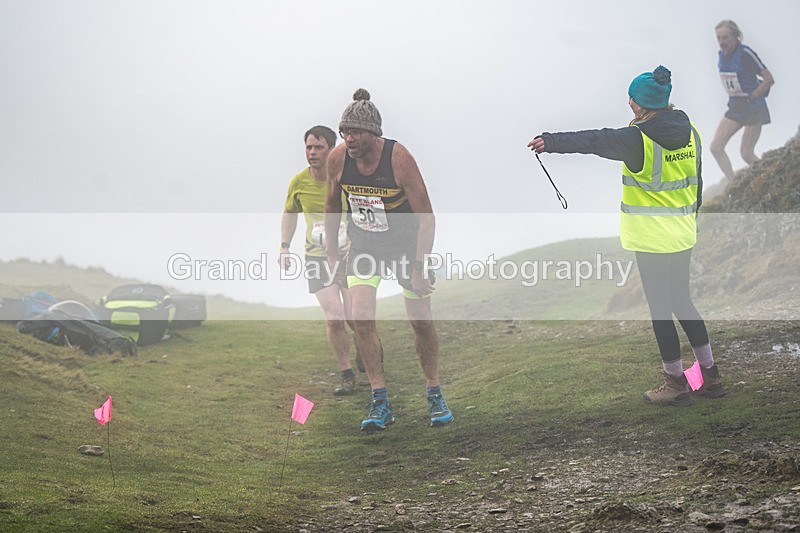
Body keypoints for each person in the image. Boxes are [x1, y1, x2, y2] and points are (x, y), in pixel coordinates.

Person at [528, 66, 725, 406]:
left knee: (661, 309)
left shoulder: (637, 139)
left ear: (638, 105)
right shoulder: (691, 131)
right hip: (682, 232)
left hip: (652, 238)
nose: (628, 102)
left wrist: (552, 142)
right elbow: (697, 182)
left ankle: (676, 382)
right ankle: (710, 376)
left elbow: (595, 140)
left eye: (630, 98)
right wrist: (690, 221)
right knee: (682, 301)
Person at [324, 89, 453, 430]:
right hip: (365, 247)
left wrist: (420, 264)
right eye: (344, 132)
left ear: (372, 133)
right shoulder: (338, 159)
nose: (348, 139)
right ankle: (380, 400)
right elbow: (332, 206)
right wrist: (333, 255)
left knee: (420, 321)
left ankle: (434, 391)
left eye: (355, 133)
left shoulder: (398, 158)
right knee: (361, 319)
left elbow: (427, 216)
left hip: (406, 247)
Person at [280, 125, 363, 396]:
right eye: (308, 147)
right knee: (335, 318)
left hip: (350, 254)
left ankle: (367, 349)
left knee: (355, 317)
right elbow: (289, 214)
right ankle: (347, 373)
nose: (312, 153)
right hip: (316, 256)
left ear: (332, 149)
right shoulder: (298, 182)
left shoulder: (346, 177)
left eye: (319, 147)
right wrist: (284, 247)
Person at [710, 20, 775, 182]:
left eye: (725, 37)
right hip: (736, 107)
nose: (722, 42)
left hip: (754, 107)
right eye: (718, 38)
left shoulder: (746, 53)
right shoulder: (721, 55)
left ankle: (771, 178)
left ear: (736, 37)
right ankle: (733, 183)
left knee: (746, 153)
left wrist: (752, 96)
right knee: (716, 148)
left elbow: (769, 79)